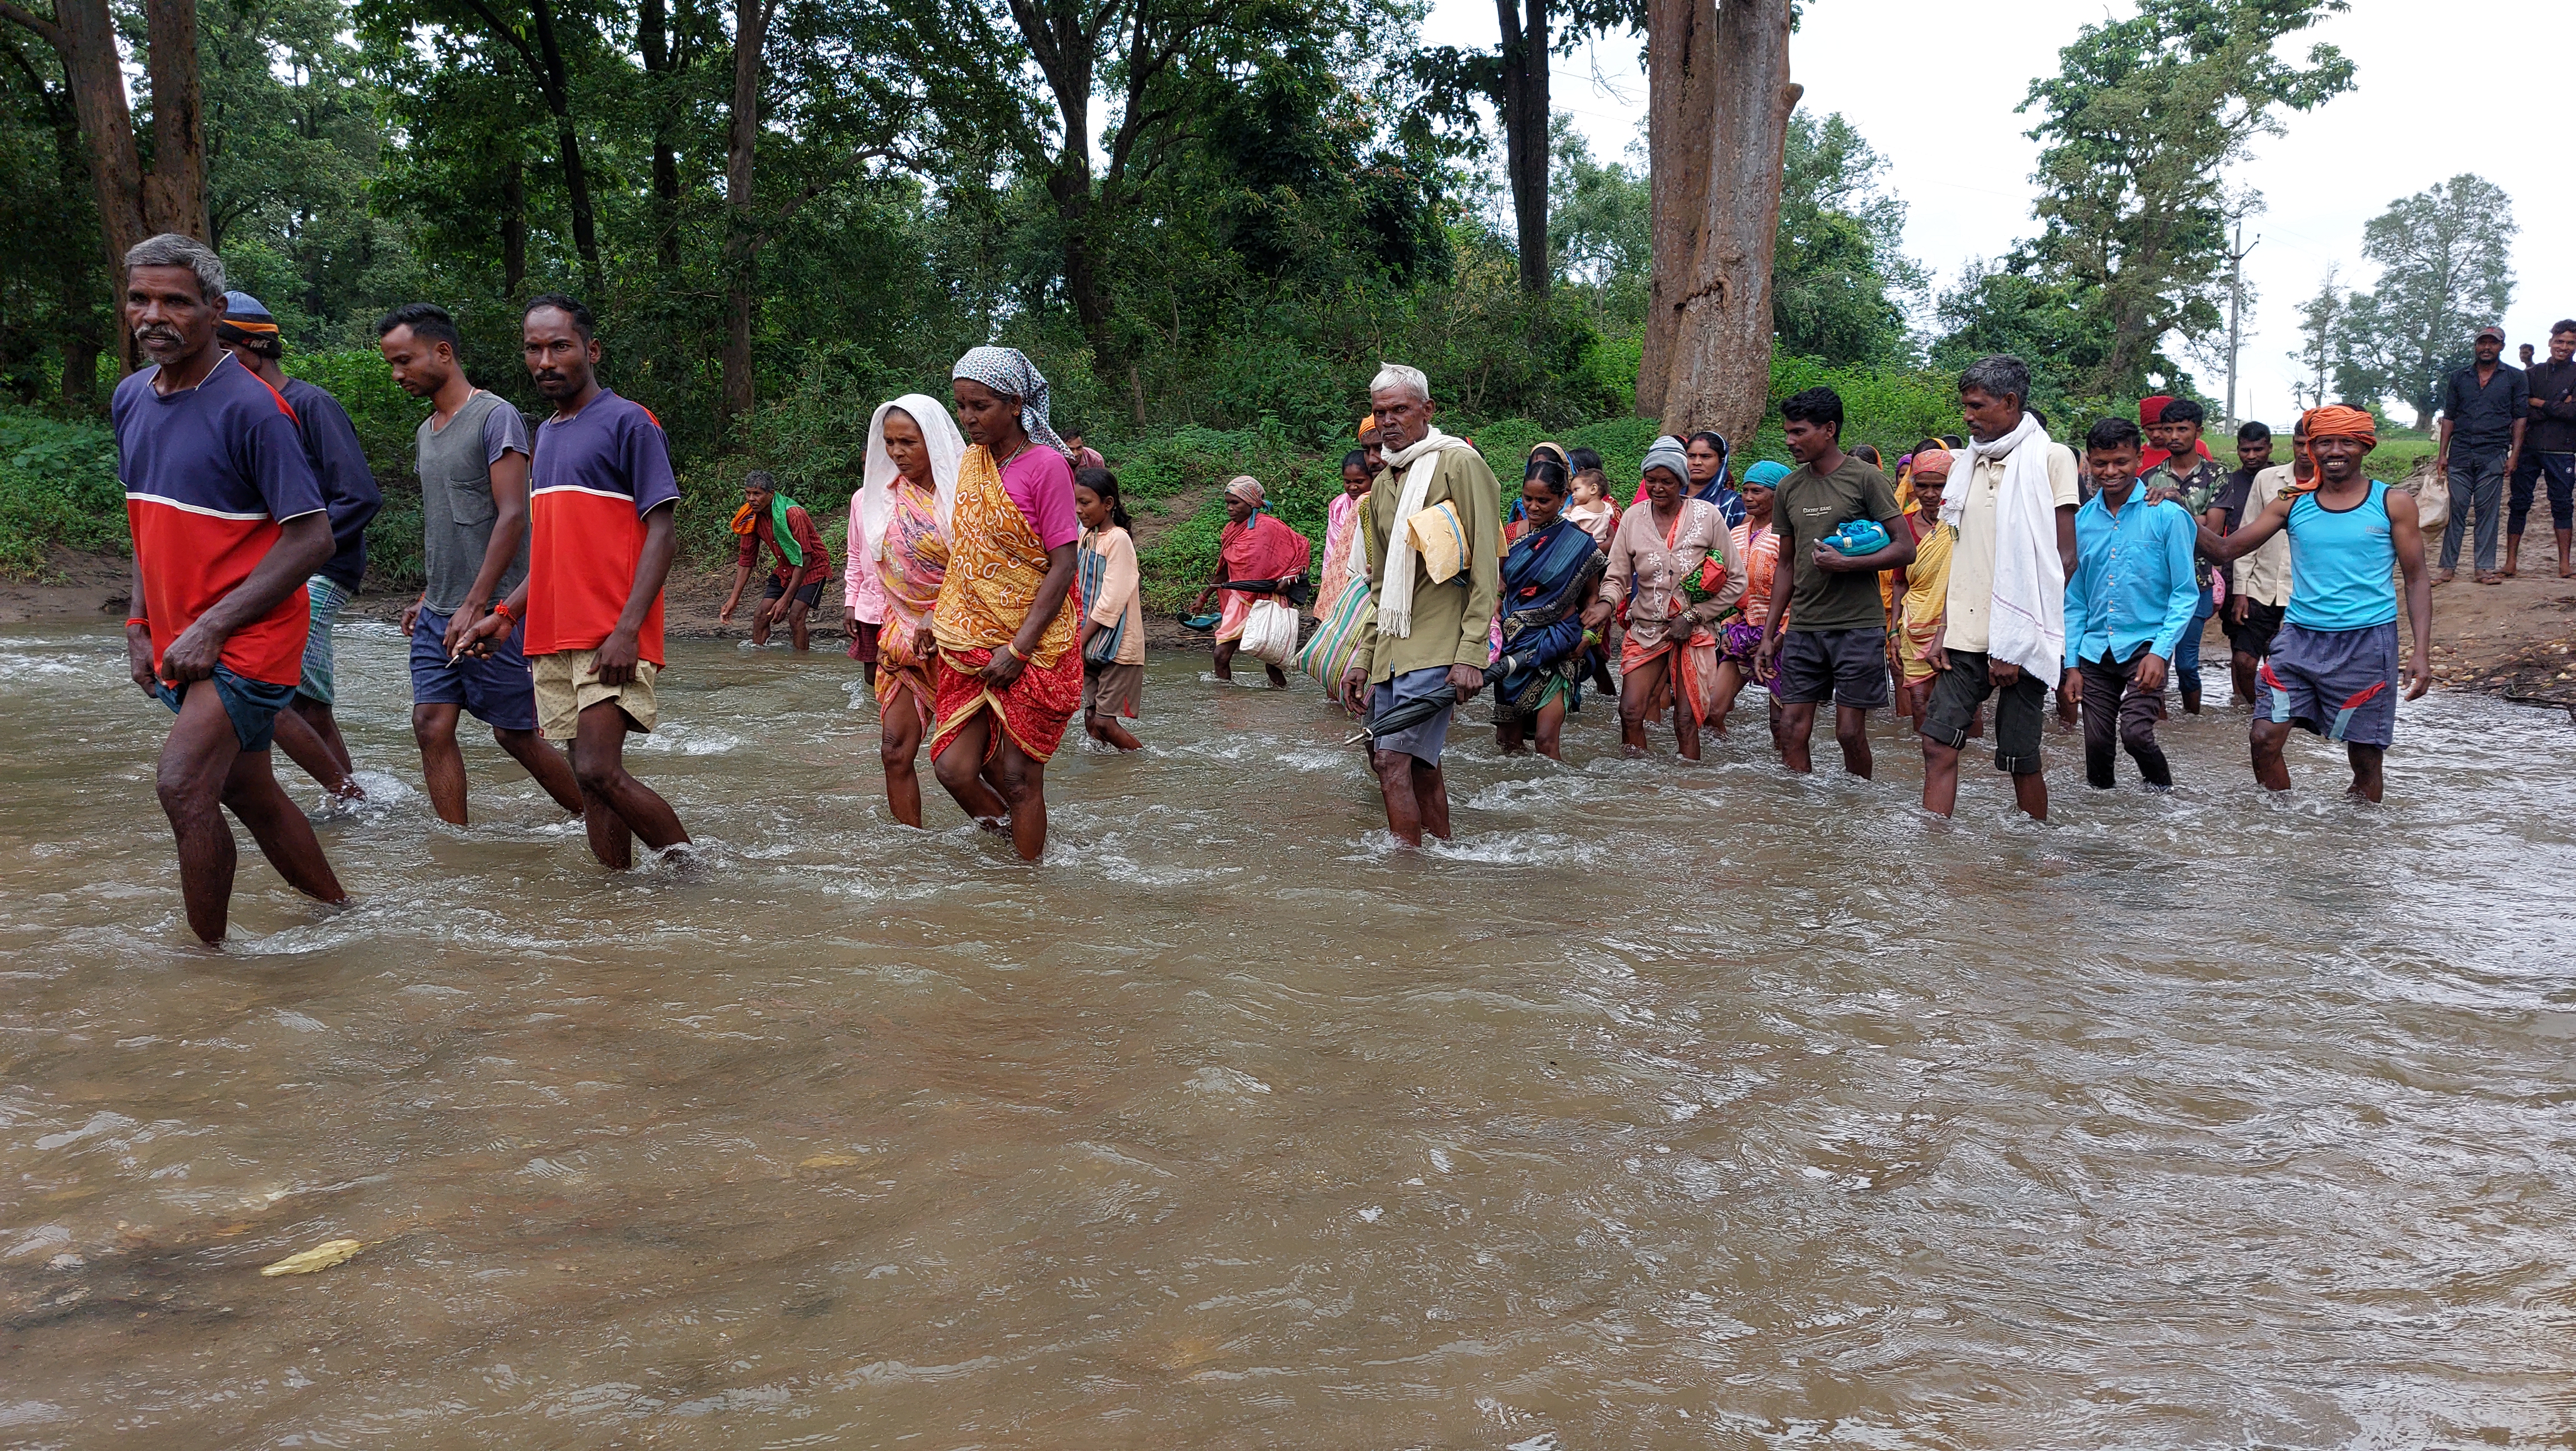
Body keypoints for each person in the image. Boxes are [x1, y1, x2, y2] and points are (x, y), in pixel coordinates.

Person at [113, 233, 346, 944]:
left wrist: (213, 627)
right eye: (140, 299)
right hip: (180, 636)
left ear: (214, 310)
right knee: (250, 789)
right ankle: (345, 916)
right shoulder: (130, 398)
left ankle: (207, 969)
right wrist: (137, 622)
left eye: (176, 301)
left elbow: (313, 538)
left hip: (249, 636)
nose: (155, 314)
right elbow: (146, 523)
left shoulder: (254, 409)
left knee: (183, 786)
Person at [461, 294, 691, 869]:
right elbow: (553, 554)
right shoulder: (549, 436)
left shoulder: (629, 422)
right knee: (590, 785)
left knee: (596, 768)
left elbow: (662, 533)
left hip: (611, 631)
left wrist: (628, 630)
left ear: (590, 350)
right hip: (551, 636)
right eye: (534, 349)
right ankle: (614, 893)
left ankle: (697, 876)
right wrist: (506, 615)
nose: (545, 361)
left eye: (559, 346)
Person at [376, 301, 583, 827]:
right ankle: (457, 844)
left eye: (404, 361)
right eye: (392, 364)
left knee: (514, 734)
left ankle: (598, 815)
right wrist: (429, 596)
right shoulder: (427, 433)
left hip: (495, 610)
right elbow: (447, 524)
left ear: (443, 352)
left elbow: (513, 516)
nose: (397, 374)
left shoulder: (496, 418)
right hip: (440, 610)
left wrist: (475, 604)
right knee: (430, 724)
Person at [2200, 405, 2433, 801]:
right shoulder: (2292, 502)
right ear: (2311, 448)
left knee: (2364, 759)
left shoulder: (2393, 503)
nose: (2334, 451)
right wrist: (2175, 511)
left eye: (2346, 442)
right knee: (2264, 737)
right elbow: (2225, 549)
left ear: (2365, 446)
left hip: (2367, 643)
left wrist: (2421, 653)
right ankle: (2282, 828)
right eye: (2324, 442)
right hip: (2299, 639)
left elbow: (2416, 579)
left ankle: (2358, 842)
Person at [212, 291, 383, 802]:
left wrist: (305, 549)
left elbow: (361, 495)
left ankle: (345, 793)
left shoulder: (311, 404)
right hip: (276, 565)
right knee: (307, 702)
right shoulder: (244, 410)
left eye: (221, 350)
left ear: (251, 348)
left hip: (320, 566)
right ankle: (352, 805)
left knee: (271, 690)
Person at [928, 346, 1085, 861]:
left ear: (1016, 404)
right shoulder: (973, 464)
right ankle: (1015, 843)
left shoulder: (1045, 466)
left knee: (1020, 779)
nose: (969, 418)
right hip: (971, 637)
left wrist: (1017, 649)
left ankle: (1030, 885)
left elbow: (1063, 565)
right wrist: (941, 614)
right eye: (962, 406)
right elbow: (969, 554)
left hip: (1032, 644)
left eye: (981, 406)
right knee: (952, 767)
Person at [1338, 362, 1502, 846]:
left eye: (1400, 410)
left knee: (1391, 759)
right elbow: (1382, 583)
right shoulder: (1386, 480)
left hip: (1438, 645)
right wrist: (1363, 659)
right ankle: (1444, 861)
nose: (1388, 421)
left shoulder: (1459, 464)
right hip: (1393, 647)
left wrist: (1472, 652)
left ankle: (1404, 879)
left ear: (1427, 410)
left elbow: (1487, 567)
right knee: (1414, 764)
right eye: (1380, 412)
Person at [1918, 355, 2080, 821]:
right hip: (1965, 634)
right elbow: (1963, 553)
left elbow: (2064, 558)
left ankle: (2030, 863)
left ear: (2010, 403)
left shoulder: (2052, 458)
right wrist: (1943, 628)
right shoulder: (1966, 463)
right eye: (1964, 406)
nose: (1967, 416)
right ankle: (1934, 855)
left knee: (2018, 760)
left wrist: (2013, 638)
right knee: (1937, 743)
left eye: (1977, 406)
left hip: (2023, 635)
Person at [1755, 387, 1914, 778]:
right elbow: (1787, 566)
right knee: (1791, 729)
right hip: (1805, 626)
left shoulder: (1865, 479)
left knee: (1848, 733)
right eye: (1788, 433)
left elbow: (1904, 549)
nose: (1790, 441)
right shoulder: (1789, 488)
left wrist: (1847, 563)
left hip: (1858, 626)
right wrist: (1769, 635)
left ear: (1829, 430)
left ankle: (1856, 815)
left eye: (1799, 432)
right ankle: (1800, 820)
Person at [2058, 417, 2198, 791]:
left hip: (2146, 645)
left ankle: (2164, 801)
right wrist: (2071, 663)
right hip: (2094, 649)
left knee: (2137, 734)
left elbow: (2185, 592)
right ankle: (2104, 829)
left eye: (2121, 462)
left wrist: (2160, 652)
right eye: (2101, 463)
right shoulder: (2082, 522)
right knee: (2096, 745)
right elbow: (2076, 601)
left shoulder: (2167, 515)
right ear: (2088, 463)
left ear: (2139, 458)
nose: (2111, 472)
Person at [1584, 438, 1744, 760]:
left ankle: (1688, 795)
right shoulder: (1633, 518)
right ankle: (1639, 789)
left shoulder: (1708, 516)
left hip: (1694, 631)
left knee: (1685, 721)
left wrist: (1694, 616)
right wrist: (1605, 604)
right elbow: (1616, 576)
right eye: (1651, 481)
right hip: (1646, 628)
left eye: (1667, 481)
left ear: (1681, 482)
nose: (1658, 488)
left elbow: (1736, 582)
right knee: (1630, 712)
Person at [848, 395, 964, 828]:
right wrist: (856, 604)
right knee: (894, 750)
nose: (897, 452)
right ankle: (910, 851)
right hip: (901, 636)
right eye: (890, 442)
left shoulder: (965, 496)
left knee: (973, 766)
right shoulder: (875, 498)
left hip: (959, 637)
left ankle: (1007, 836)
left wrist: (942, 613)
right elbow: (866, 559)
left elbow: (980, 566)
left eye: (909, 442)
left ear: (932, 440)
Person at [1492, 459, 1608, 760]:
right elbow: (1498, 584)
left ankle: (1556, 804)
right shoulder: (1508, 536)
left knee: (1546, 741)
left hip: (1559, 643)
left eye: (1544, 500)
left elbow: (1592, 597)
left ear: (1562, 499)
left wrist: (1588, 638)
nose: (1534, 507)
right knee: (1508, 743)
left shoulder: (1579, 542)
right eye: (1528, 499)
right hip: (1513, 644)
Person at [2140, 398, 2226, 713]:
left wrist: (2176, 507)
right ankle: (2157, 724)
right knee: (2153, 662)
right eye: (2168, 429)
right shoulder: (2148, 478)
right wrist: (2196, 518)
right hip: (2155, 583)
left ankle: (2193, 720)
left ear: (2198, 432)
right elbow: (2148, 531)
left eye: (2182, 429)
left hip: (2198, 579)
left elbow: (2213, 533)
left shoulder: (2216, 475)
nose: (2174, 436)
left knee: (2188, 664)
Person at [1192, 475, 1310, 687]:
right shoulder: (1230, 531)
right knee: (1221, 655)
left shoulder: (1271, 527)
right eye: (1228, 503)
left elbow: (1301, 546)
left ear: (1252, 502)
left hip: (1269, 598)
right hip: (1240, 600)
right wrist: (1203, 597)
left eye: (1235, 503)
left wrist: (1288, 579)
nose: (1230, 508)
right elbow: (1226, 570)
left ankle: (1280, 696)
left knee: (1271, 660)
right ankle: (1226, 702)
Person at [2208, 419, 2293, 708]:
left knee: (2276, 648)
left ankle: (2274, 705)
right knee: (2241, 649)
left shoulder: (2278, 482)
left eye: (2259, 449)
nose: (2252, 456)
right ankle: (2242, 704)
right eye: (2246, 450)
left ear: (2270, 448)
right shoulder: (2229, 484)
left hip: (2281, 574)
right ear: (2238, 450)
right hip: (2237, 570)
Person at [2434, 324, 2528, 585]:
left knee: (2488, 512)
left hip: (2494, 453)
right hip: (2461, 452)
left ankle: (2484, 568)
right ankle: (2447, 568)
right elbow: (2449, 417)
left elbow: (2520, 419)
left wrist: (2514, 456)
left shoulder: (2515, 378)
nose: (2487, 348)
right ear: (2476, 346)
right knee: (2456, 510)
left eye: (2493, 343)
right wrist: (2443, 454)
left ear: (2502, 347)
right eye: (2482, 343)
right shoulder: (2459, 377)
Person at [1707, 460, 1784, 738]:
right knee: (1713, 712)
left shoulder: (1787, 535)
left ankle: (1785, 777)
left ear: (1777, 495)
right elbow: (1728, 587)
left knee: (1782, 725)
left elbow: (1801, 592)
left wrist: (1779, 638)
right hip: (1743, 629)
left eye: (1757, 492)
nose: (1749, 498)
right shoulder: (1736, 533)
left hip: (1783, 634)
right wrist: (1726, 625)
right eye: (1745, 491)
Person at [719, 469, 831, 650]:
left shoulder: (793, 515)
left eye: (757, 494)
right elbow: (747, 559)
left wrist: (786, 599)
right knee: (761, 616)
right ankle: (762, 667)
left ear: (771, 494)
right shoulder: (750, 516)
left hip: (812, 568)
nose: (751, 499)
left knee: (795, 616)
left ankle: (801, 668)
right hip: (785, 569)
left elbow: (805, 557)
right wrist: (733, 599)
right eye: (748, 493)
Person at [1076, 466, 1145, 751]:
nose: (1079, 510)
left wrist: (1079, 641)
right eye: (1076, 502)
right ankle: (1107, 780)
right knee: (1090, 719)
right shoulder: (1086, 535)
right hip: (1090, 640)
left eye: (1086, 502)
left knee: (1105, 723)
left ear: (1108, 504)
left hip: (1119, 646)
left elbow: (1111, 601)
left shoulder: (1118, 540)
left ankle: (1143, 764)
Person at [1890, 449, 1956, 724]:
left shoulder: (1962, 524)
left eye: (1938, 486)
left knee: (1962, 703)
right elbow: (1899, 582)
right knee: (1919, 702)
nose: (1929, 494)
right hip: (1914, 623)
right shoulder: (1904, 524)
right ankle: (1920, 765)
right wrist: (1893, 631)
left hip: (1956, 624)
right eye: (1922, 485)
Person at [2510, 319, 2576, 578]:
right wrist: (2558, 405)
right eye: (2560, 341)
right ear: (2550, 342)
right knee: (2519, 503)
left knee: (2563, 504)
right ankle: (2510, 562)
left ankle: (2564, 565)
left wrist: (2540, 403)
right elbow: (2519, 410)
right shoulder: (2531, 374)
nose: (2564, 347)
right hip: (2529, 447)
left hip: (2564, 449)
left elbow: (2574, 414)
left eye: (2571, 343)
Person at [1313, 448, 1371, 622]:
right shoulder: (1338, 505)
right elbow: (1332, 545)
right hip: (1338, 570)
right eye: (1347, 482)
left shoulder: (1372, 502)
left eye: (1359, 481)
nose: (1353, 487)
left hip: (1363, 569)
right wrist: (1328, 577)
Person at [1565, 464, 1618, 546]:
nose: (1573, 495)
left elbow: (1566, 525)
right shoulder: (1608, 507)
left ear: (1593, 489)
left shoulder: (1580, 510)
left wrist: (1567, 513)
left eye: (1577, 490)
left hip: (1582, 546)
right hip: (1601, 546)